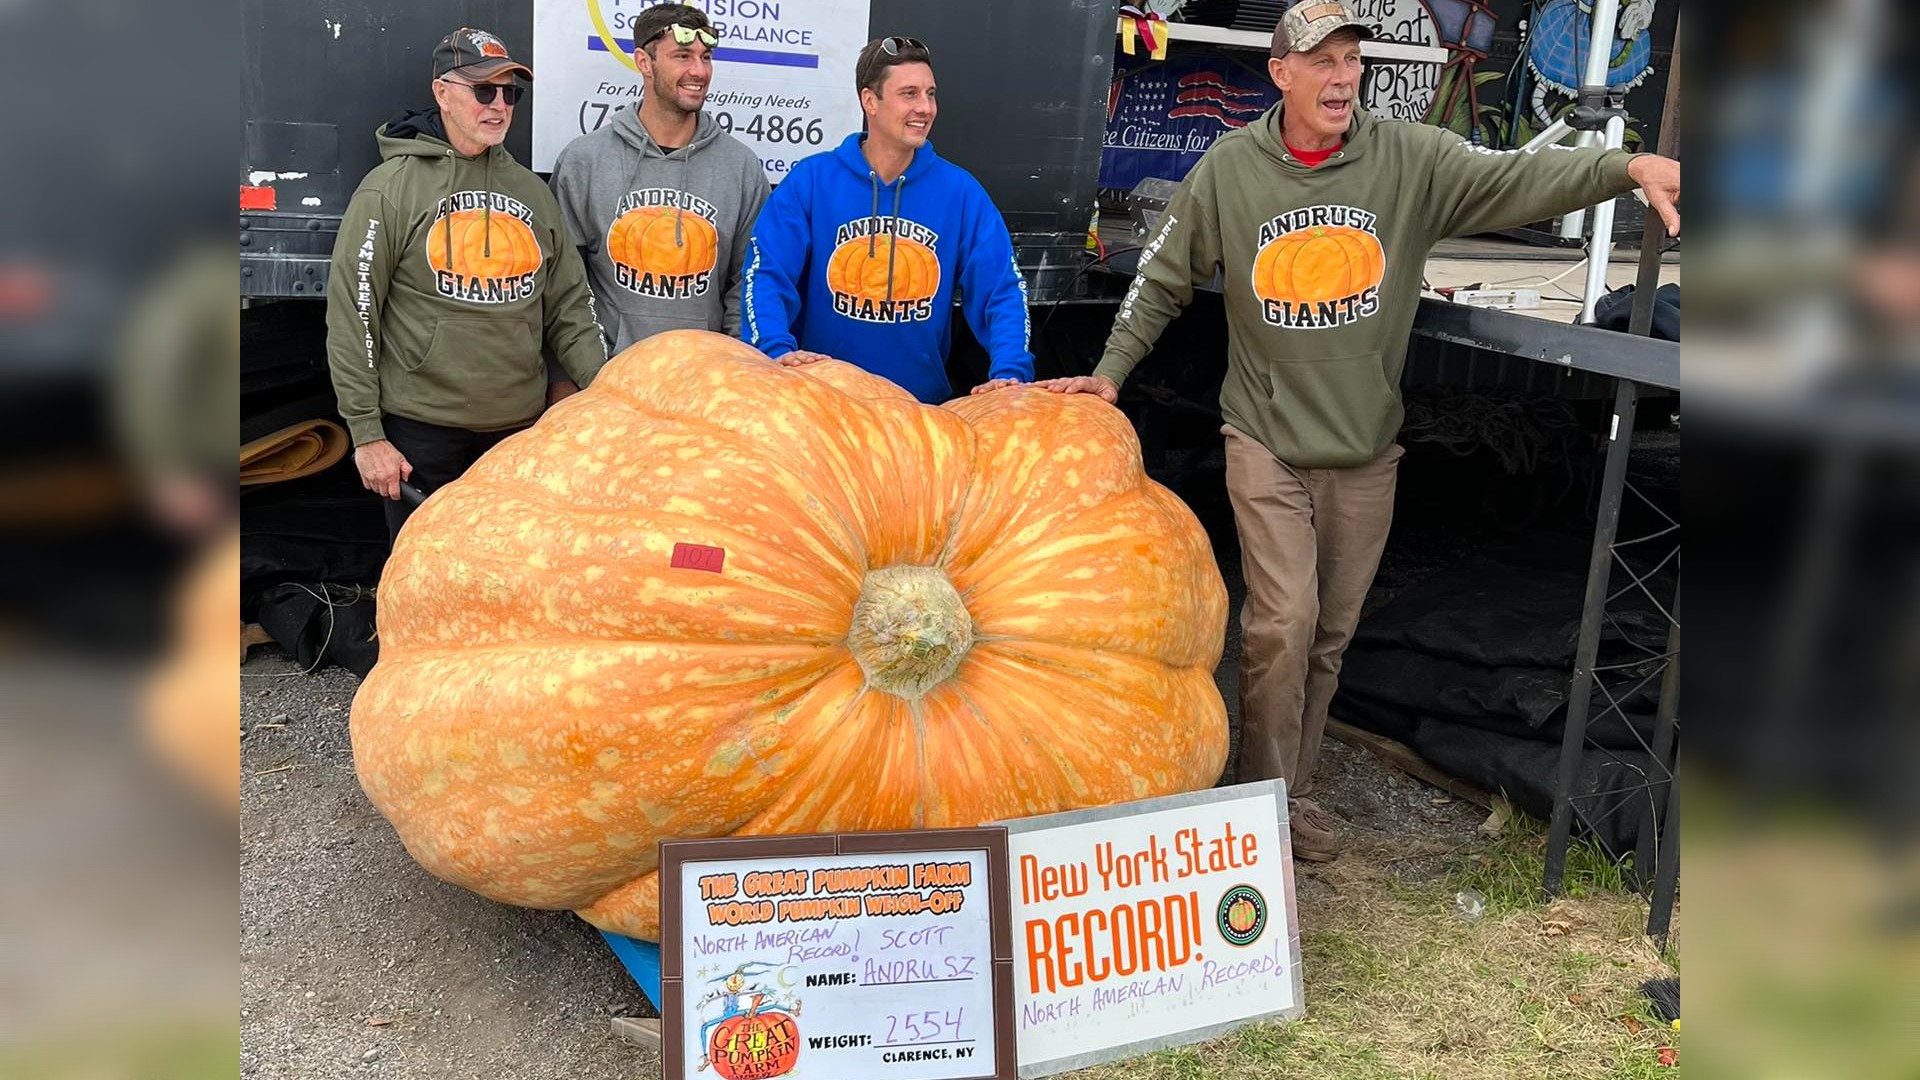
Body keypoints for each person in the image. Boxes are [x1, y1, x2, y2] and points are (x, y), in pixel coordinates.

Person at [1043, 0, 1682, 862]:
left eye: (1352, 60)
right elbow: (1162, 280)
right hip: (1265, 438)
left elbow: (1516, 181)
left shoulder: (1408, 159)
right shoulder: (1231, 170)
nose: (1343, 77)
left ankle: (1290, 791)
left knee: (1328, 639)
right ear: (1282, 74)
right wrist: (1111, 372)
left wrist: (1625, 165)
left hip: (1365, 449)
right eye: (1323, 61)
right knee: (1281, 625)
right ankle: (1260, 807)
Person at [325, 27, 607, 541]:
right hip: (422, 434)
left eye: (510, 93)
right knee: (423, 572)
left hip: (517, 433)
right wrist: (366, 434)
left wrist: (609, 396)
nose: (498, 105)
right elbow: (353, 314)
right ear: (442, 92)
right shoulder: (390, 189)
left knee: (507, 569)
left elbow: (571, 308)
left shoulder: (533, 194)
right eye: (483, 90)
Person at [738, 35, 1034, 403]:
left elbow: (1001, 290)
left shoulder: (960, 193)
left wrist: (1010, 370)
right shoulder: (812, 181)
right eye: (909, 94)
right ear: (870, 101)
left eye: (930, 94)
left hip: (917, 408)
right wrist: (773, 348)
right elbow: (766, 273)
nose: (925, 108)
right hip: (821, 404)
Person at [549, 4, 769, 361]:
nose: (699, 71)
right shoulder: (584, 161)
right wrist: (582, 373)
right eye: (682, 56)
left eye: (706, 57)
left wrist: (736, 367)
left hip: (704, 378)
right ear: (644, 62)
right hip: (611, 376)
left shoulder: (741, 168)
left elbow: (746, 287)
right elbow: (564, 290)